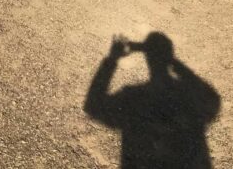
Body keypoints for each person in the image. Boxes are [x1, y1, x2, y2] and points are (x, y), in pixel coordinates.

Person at [84, 32, 220, 168]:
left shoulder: (133, 98)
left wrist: (112, 59)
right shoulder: (188, 96)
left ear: (147, 59)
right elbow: (212, 98)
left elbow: (93, 105)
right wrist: (175, 63)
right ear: (169, 56)